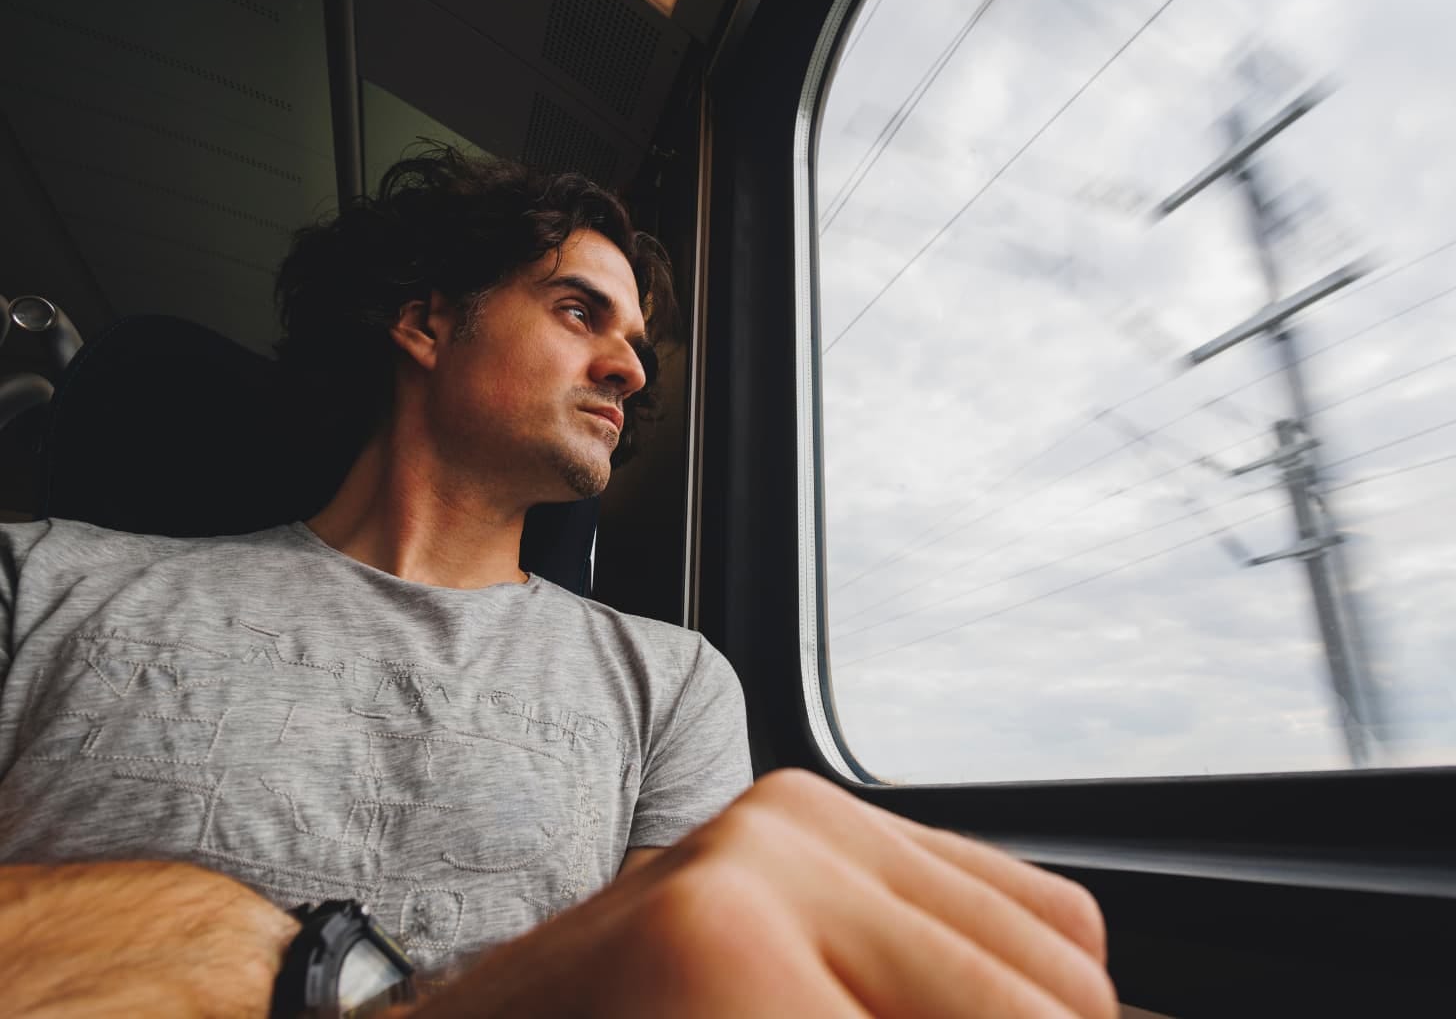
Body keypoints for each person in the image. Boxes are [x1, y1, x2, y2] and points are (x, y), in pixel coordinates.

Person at [0, 149, 1116, 1018]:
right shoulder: (42, 580)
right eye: (581, 311)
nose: (631, 366)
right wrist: (259, 955)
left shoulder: (671, 682)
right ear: (426, 320)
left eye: (633, 339)